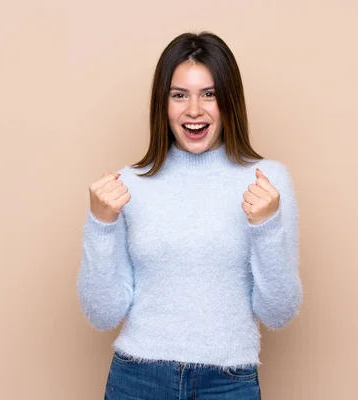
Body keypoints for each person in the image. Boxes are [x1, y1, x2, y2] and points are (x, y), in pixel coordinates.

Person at [77, 31, 302, 399]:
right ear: (162, 104)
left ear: (229, 101)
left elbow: (278, 313)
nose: (194, 110)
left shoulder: (267, 181)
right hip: (138, 380)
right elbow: (102, 315)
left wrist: (267, 228)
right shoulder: (126, 185)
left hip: (229, 383)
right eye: (179, 95)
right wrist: (101, 225)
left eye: (209, 94)